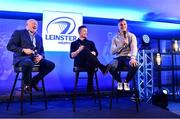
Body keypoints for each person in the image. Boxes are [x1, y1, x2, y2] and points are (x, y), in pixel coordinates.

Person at [7, 19, 55, 93]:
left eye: (36, 24)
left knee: (51, 65)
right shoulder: (19, 33)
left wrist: (41, 56)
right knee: (28, 63)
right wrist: (23, 50)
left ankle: (34, 81)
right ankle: (27, 85)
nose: (35, 25)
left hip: (34, 59)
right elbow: (10, 46)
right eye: (33, 23)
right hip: (22, 59)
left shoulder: (39, 37)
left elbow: (42, 51)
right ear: (27, 25)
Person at [70, 25, 110, 93]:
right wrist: (78, 50)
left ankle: (89, 90)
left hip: (90, 62)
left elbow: (96, 53)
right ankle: (102, 67)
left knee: (91, 61)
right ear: (79, 32)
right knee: (84, 49)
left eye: (87, 31)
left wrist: (93, 53)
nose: (86, 32)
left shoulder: (90, 43)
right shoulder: (74, 43)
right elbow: (71, 56)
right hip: (80, 63)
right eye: (84, 31)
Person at [109, 18, 138, 91]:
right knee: (109, 66)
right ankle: (119, 82)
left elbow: (134, 47)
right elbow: (112, 52)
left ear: (127, 25)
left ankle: (126, 82)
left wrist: (133, 58)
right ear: (118, 26)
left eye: (124, 24)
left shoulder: (131, 36)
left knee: (135, 65)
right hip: (118, 58)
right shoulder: (115, 38)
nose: (123, 26)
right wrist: (121, 45)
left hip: (128, 57)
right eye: (121, 24)